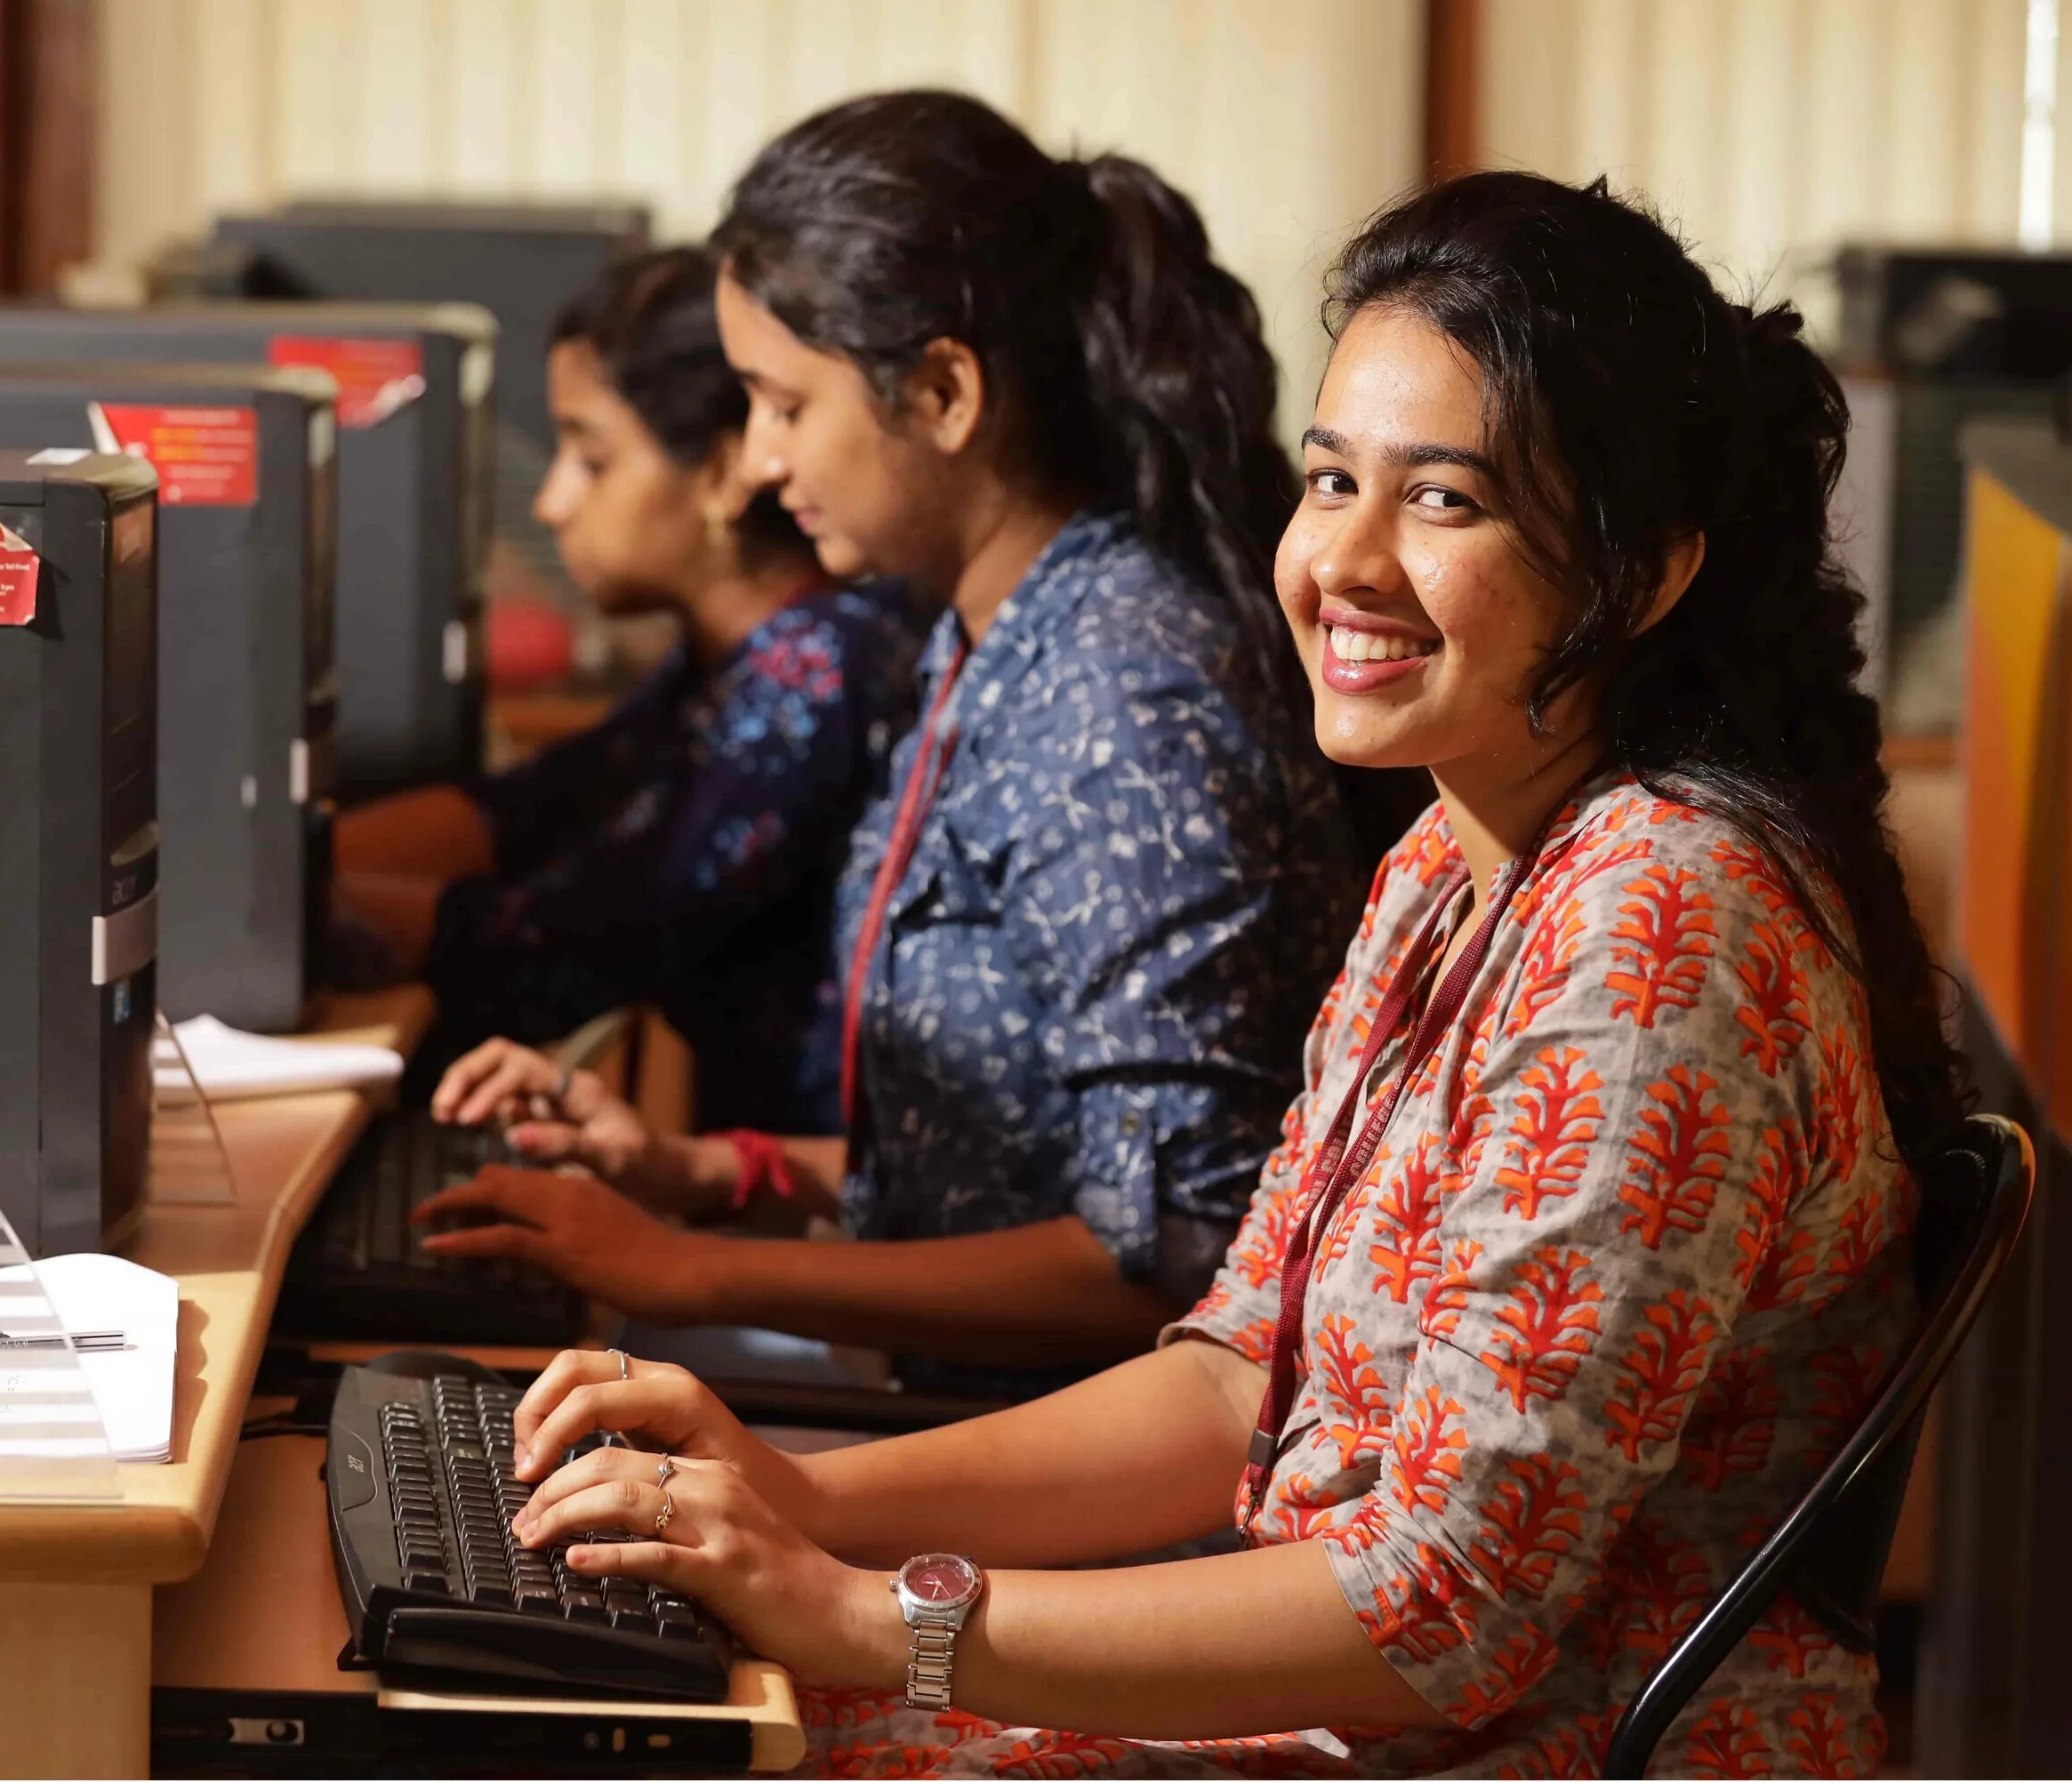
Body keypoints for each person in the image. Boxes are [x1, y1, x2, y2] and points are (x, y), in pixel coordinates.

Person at [485, 171, 1965, 1776]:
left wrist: (871, 1620)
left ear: (1643, 570)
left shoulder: (1664, 924)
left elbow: (1442, 1609)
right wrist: (803, 1497)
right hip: (1360, 1706)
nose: (1349, 561)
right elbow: (1237, 1372)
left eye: (1447, 501)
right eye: (1331, 481)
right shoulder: (1453, 859)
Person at [419, 91, 1358, 1398]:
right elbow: (1000, 1168)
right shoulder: (982, 634)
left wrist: (699, 1267)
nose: (754, 459)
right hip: (943, 1406)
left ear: (941, 392)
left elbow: (1171, 1253)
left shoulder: (1120, 695)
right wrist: (710, 1172)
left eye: (782, 404)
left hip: (1063, 1491)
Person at [335, 246, 919, 1135]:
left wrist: (272, 908)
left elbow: (557, 947)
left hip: (821, 1231)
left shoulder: (815, 676)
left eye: (592, 458)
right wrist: (292, 864)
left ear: (722, 473)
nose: (552, 501)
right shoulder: (733, 662)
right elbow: (527, 808)